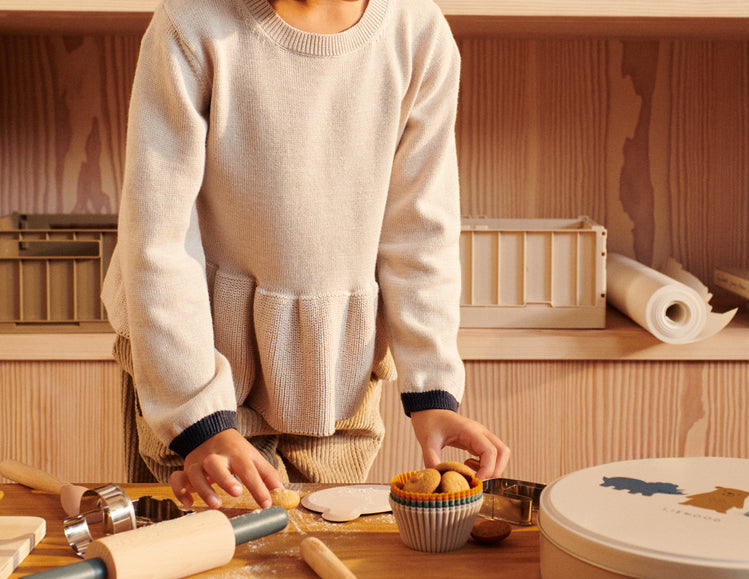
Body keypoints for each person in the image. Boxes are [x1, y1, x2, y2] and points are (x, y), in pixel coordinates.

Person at [101, 0, 510, 510]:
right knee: (193, 554)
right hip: (188, 358)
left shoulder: (418, 34)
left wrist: (432, 392)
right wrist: (196, 416)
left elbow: (420, 232)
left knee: (319, 545)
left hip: (336, 374)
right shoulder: (190, 24)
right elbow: (157, 238)